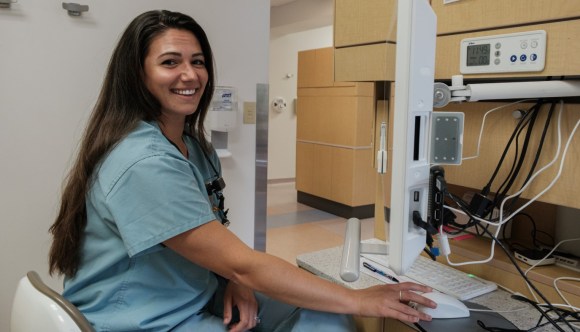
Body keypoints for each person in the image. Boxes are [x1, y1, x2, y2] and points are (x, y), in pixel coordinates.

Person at [48, 9, 436, 332]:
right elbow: (242, 262)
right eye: (170, 62)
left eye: (197, 62)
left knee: (327, 318)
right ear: (138, 75)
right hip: (145, 319)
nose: (190, 75)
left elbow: (216, 242)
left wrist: (234, 279)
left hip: (191, 292)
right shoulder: (144, 163)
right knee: (337, 313)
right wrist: (358, 298)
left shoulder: (191, 146)